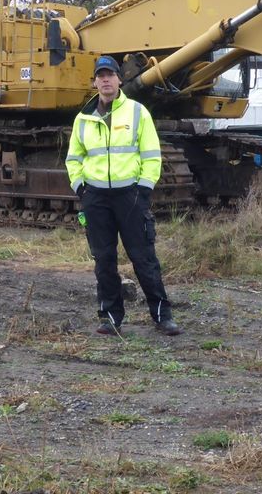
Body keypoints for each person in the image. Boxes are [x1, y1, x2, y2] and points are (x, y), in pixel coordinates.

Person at [65, 55, 181, 336]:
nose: (105, 80)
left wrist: (143, 190)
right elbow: (73, 159)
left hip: (130, 197)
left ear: (119, 79)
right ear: (95, 81)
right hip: (97, 200)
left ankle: (162, 316)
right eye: (100, 75)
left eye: (110, 75)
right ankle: (110, 318)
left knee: (144, 258)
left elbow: (152, 155)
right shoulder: (83, 118)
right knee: (104, 260)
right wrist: (82, 188)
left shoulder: (137, 113)